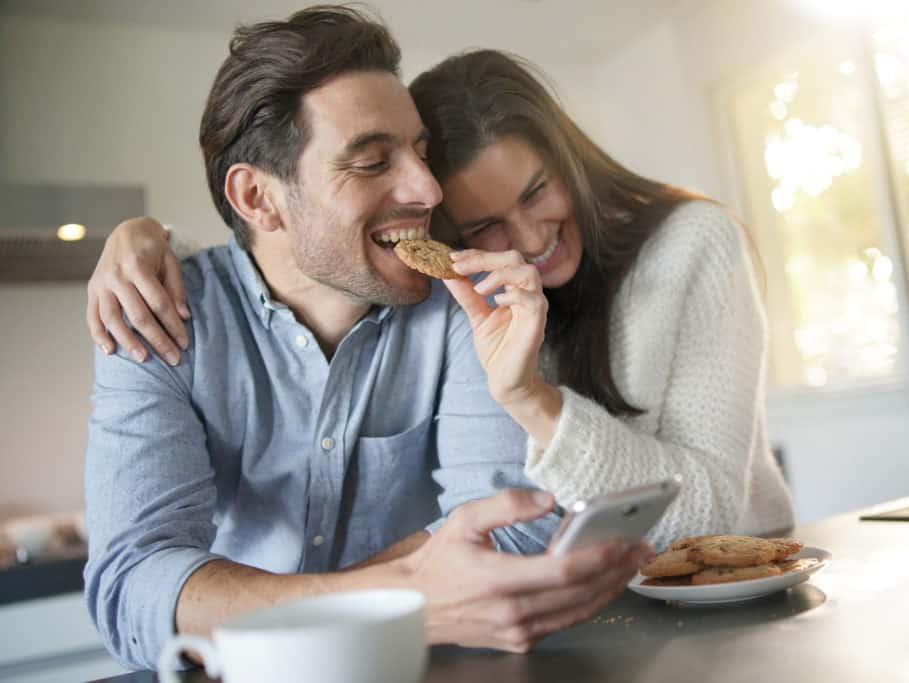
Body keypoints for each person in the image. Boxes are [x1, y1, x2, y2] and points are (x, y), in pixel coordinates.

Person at [82, 7, 652, 671]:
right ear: (259, 199)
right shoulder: (151, 309)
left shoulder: (464, 307)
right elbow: (132, 586)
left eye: (420, 152)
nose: (428, 188)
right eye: (373, 160)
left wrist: (242, 602)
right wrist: (405, 589)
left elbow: (513, 530)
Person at [88, 45, 795, 552]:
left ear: (570, 158)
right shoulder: (455, 288)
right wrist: (145, 236)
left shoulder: (690, 243)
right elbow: (297, 247)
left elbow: (707, 516)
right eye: (484, 223)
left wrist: (534, 402)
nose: (527, 240)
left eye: (537, 190)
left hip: (730, 575)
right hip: (596, 600)